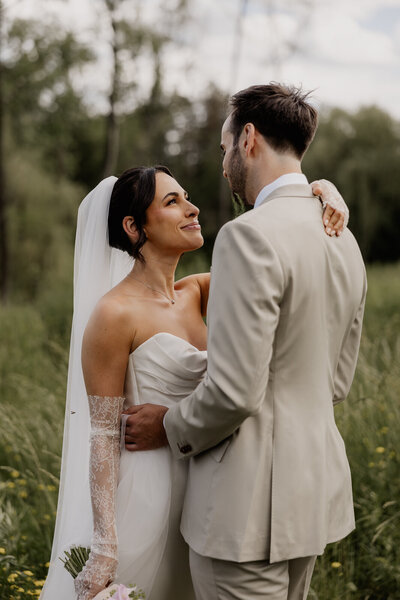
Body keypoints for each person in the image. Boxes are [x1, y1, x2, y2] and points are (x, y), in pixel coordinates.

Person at [40, 110, 348, 600]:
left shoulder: (200, 290)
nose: (193, 208)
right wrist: (104, 544)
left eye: (187, 197)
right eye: (172, 201)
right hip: (150, 495)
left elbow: (283, 258)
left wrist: (320, 191)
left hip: (219, 486)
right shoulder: (113, 315)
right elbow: (101, 437)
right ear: (134, 226)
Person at [124, 84, 367, 600]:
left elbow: (235, 391)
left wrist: (168, 424)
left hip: (245, 510)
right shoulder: (342, 236)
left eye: (223, 147)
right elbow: (337, 382)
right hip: (312, 497)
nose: (223, 163)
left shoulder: (247, 236)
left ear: (248, 139)